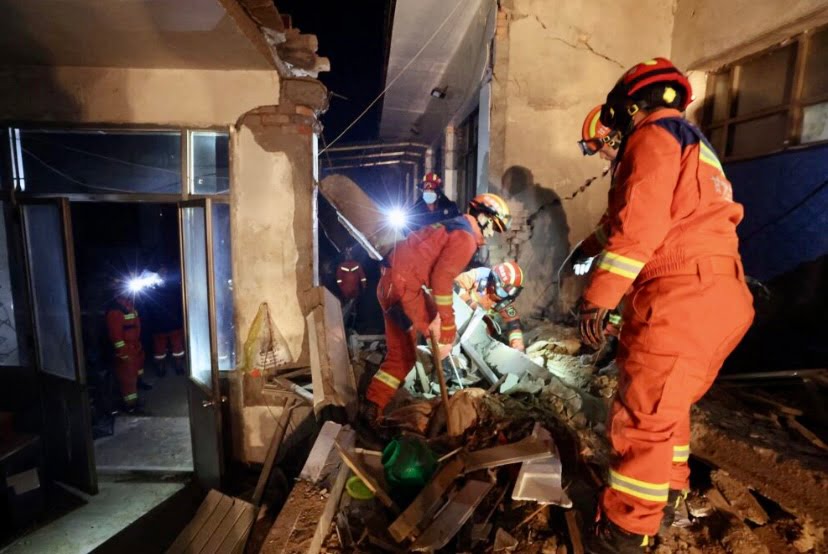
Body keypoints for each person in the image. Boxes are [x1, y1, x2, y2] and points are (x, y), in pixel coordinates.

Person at [577, 58, 755, 553]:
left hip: (682, 294)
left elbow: (640, 227)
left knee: (642, 418)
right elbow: (630, 216)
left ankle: (625, 532)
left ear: (628, 107)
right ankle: (670, 494)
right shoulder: (690, 143)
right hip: (720, 294)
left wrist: (597, 299)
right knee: (667, 409)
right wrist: (589, 248)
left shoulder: (652, 137)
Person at [360, 193, 512, 427]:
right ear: (482, 216)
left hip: (392, 284)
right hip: (403, 288)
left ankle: (372, 407)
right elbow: (441, 280)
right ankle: (373, 409)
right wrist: (448, 323)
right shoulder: (465, 238)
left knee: (402, 355)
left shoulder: (453, 226)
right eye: (492, 226)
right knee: (413, 350)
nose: (491, 234)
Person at [453, 261, 526, 351]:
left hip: (478, 328)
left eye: (514, 290)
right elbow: (455, 284)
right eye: (509, 288)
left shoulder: (504, 298)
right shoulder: (480, 275)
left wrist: (517, 343)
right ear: (498, 281)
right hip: (458, 314)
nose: (510, 293)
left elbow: (513, 323)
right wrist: (471, 304)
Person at [106, 279, 148, 412]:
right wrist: (123, 352)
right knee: (127, 378)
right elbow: (116, 336)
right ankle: (131, 406)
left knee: (136, 371)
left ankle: (138, 387)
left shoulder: (130, 305)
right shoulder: (115, 311)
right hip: (126, 349)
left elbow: (136, 325)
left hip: (134, 346)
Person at [148, 265, 185, 377]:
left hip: (166, 324)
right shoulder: (172, 288)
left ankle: (173, 367)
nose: (163, 274)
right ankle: (164, 368)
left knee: (176, 348)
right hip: (165, 324)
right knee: (163, 349)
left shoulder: (153, 289)